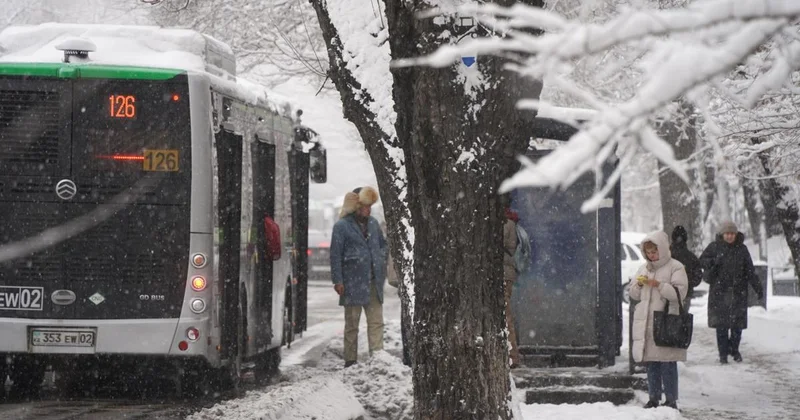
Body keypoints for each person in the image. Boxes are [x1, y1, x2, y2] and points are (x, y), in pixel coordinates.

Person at [629, 231, 688, 410]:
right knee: (652, 362)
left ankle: (671, 400)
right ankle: (653, 398)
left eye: (654, 252)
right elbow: (633, 294)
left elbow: (679, 293)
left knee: (668, 362)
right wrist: (639, 284)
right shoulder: (643, 268)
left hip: (665, 321)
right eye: (648, 252)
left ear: (662, 249)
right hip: (647, 322)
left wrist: (659, 285)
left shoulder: (676, 267)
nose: (651, 256)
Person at [330, 186, 387, 368]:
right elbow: (335, 255)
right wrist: (338, 280)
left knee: (376, 322)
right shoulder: (341, 226)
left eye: (370, 206)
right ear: (356, 206)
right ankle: (350, 360)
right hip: (352, 282)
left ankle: (377, 357)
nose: (368, 210)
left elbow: (383, 245)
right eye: (365, 206)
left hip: (373, 282)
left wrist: (380, 258)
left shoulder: (373, 224)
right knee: (352, 324)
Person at [699, 221, 763, 364]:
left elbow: (750, 271)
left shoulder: (742, 249)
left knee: (737, 326)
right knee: (721, 326)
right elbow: (702, 261)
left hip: (738, 293)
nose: (729, 236)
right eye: (727, 233)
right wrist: (714, 262)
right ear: (722, 234)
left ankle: (734, 349)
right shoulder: (714, 247)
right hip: (719, 293)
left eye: (732, 234)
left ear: (736, 234)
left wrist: (758, 287)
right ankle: (723, 354)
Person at [382, 222, 411, 367]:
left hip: (405, 281)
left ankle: (409, 354)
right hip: (407, 281)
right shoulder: (403, 230)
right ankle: (409, 355)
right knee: (408, 319)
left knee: (407, 318)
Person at [503, 205, 521, 368]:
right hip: (508, 275)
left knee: (506, 315)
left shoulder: (506, 224)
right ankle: (511, 354)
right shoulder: (512, 223)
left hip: (504, 274)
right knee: (505, 315)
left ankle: (513, 356)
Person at [670, 225, 703, 308]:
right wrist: (688, 283)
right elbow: (698, 277)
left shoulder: (666, 256)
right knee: (683, 318)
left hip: (668, 294)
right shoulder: (691, 257)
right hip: (685, 294)